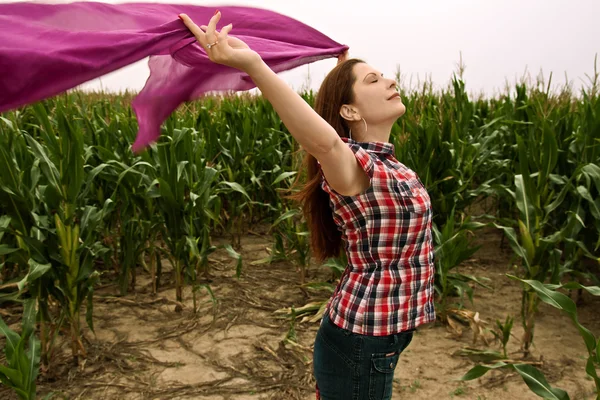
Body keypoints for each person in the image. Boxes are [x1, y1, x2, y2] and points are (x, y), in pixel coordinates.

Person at [179, 10, 436, 400]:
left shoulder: (388, 164)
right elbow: (325, 141)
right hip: (361, 340)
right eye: (374, 80)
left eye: (384, 75)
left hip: (379, 336)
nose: (391, 80)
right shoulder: (352, 165)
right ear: (349, 112)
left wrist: (344, 64)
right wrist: (253, 64)